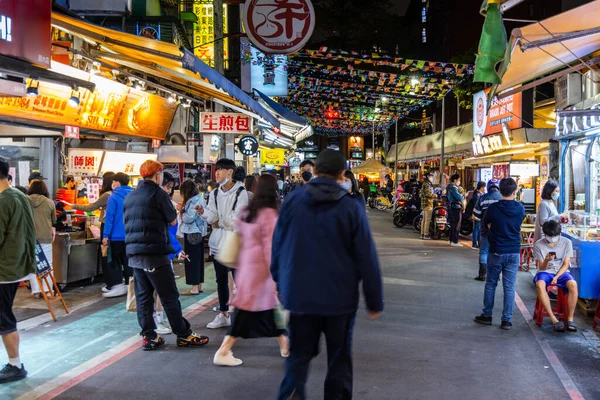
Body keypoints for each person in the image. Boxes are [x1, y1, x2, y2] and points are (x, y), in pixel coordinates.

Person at [271, 149, 384, 400]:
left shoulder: (293, 200)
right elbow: (367, 256)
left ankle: (290, 396)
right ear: (342, 173)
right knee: (339, 360)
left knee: (298, 358)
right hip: (340, 300)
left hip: (299, 296)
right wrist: (374, 301)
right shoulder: (351, 206)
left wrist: (279, 279)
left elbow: (278, 243)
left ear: (315, 170)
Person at [124, 160, 209, 350]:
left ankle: (149, 337)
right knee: (169, 296)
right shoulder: (158, 194)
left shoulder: (130, 197)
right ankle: (183, 334)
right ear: (157, 175)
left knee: (144, 297)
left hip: (135, 256)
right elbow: (172, 221)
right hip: (155, 254)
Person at [213, 175, 288, 366]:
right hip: (261, 270)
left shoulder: (248, 212)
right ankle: (223, 351)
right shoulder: (270, 215)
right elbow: (270, 248)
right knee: (245, 313)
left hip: (247, 268)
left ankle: (285, 345)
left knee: (268, 309)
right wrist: (276, 276)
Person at [196, 158, 249, 330]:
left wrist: (221, 221)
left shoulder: (241, 193)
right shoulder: (215, 193)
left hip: (235, 243)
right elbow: (212, 217)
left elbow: (239, 220)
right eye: (216, 170)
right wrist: (204, 213)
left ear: (230, 172)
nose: (217, 173)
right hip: (218, 243)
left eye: (221, 169)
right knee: (221, 280)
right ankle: (224, 314)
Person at [0, 158, 35, 384]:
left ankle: (16, 365)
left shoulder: (3, 200)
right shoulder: (20, 195)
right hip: (17, 265)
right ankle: (14, 363)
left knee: (3, 319)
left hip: (3, 269)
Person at [475, 178, 525, 330]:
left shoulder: (494, 208)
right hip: (513, 251)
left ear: (499, 190)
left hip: (496, 250)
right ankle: (506, 320)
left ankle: (487, 315)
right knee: (509, 287)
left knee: (491, 283)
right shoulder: (520, 208)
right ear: (515, 191)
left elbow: (485, 223)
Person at [72, 172, 115, 293]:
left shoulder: (107, 195)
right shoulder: (117, 194)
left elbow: (91, 207)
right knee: (113, 255)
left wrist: (74, 205)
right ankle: (115, 282)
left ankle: (110, 283)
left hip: (106, 226)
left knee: (106, 254)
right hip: (116, 228)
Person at [533, 220, 578, 332]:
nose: (552, 238)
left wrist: (557, 277)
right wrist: (547, 261)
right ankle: (554, 319)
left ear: (559, 234)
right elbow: (541, 267)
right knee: (539, 284)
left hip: (561, 271)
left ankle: (570, 318)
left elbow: (566, 264)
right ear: (545, 234)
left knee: (573, 285)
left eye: (555, 236)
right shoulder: (539, 244)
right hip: (545, 272)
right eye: (549, 236)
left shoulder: (567, 242)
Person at [102, 172, 133, 298]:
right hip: (131, 235)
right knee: (129, 261)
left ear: (117, 183)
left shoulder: (113, 197)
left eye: (113, 182)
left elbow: (109, 218)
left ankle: (117, 286)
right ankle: (130, 286)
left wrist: (105, 235)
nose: (112, 184)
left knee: (114, 262)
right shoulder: (133, 195)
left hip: (116, 236)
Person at [27, 181, 57, 298]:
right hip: (45, 236)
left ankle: (36, 291)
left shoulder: (24, 200)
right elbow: (54, 220)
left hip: (29, 237)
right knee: (48, 264)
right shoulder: (49, 202)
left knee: (32, 264)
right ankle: (48, 291)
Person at [178, 180, 208, 296]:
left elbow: (189, 218)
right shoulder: (199, 198)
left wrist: (181, 212)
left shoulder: (193, 200)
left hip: (192, 233)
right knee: (198, 260)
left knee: (191, 260)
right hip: (199, 232)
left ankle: (194, 288)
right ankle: (199, 285)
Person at [472, 179, 502, 282]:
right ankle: (496, 275)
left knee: (484, 251)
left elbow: (476, 213)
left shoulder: (483, 198)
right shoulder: (502, 198)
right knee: (496, 252)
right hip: (499, 231)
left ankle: (482, 275)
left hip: (485, 230)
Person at [466, 181, 486, 250]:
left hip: (478, 213)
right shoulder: (477, 195)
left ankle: (478, 244)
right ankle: (474, 244)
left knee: (478, 229)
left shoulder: (478, 194)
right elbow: (477, 205)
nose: (485, 188)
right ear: (481, 187)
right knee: (476, 229)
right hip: (477, 214)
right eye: (484, 187)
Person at [446, 174, 465, 247]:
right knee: (457, 225)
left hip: (451, 207)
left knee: (452, 224)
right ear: (455, 180)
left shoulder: (449, 187)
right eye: (459, 180)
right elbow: (459, 197)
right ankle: (455, 241)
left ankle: (450, 240)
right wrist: (463, 195)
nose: (459, 182)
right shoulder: (453, 188)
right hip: (455, 207)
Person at [421, 172, 435, 240]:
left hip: (425, 204)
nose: (431, 177)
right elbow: (428, 194)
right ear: (427, 177)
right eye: (430, 176)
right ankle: (426, 234)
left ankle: (423, 234)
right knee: (427, 220)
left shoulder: (426, 184)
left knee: (424, 220)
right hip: (428, 203)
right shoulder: (427, 185)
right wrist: (434, 195)